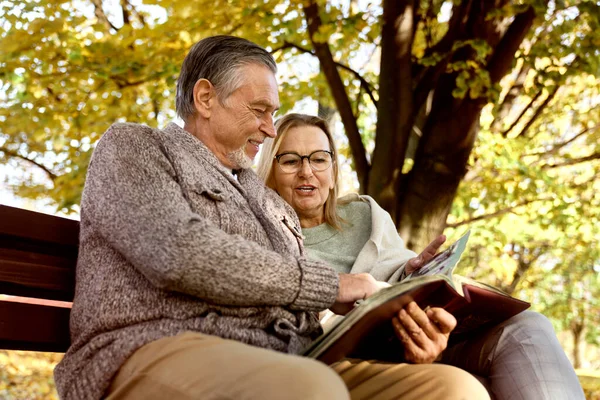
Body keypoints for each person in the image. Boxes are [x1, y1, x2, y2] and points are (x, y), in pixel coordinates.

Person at [53, 36, 490, 400]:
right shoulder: (136, 147)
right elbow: (178, 252)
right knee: (312, 389)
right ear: (206, 98)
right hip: (149, 349)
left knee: (453, 389)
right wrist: (331, 286)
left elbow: (302, 313)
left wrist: (401, 330)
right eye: (260, 110)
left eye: (273, 114)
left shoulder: (272, 204)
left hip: (290, 360)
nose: (268, 128)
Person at [256, 112, 586, 400]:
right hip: (354, 358)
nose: (306, 172)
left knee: (527, 326)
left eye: (318, 158)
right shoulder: (263, 234)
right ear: (269, 169)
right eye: (290, 160)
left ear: (332, 167)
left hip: (420, 330)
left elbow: (395, 273)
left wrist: (414, 271)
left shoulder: (364, 213)